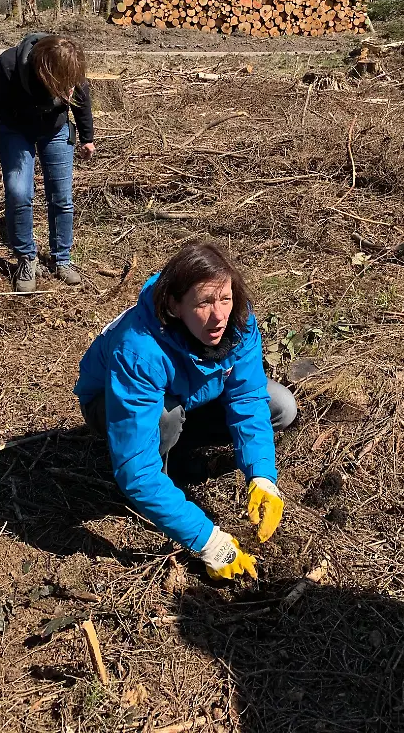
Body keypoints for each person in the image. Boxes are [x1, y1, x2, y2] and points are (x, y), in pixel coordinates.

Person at [74, 242, 298, 581]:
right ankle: (164, 485)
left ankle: (177, 454)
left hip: (190, 396)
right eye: (204, 302)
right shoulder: (138, 350)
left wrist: (262, 476)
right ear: (175, 306)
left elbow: (248, 398)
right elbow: (134, 471)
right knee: (165, 420)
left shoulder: (237, 322)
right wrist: (208, 541)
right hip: (110, 404)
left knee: (279, 405)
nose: (219, 315)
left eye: (225, 298)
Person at [0, 32, 95, 293]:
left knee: (61, 196)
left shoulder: (69, 63)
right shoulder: (7, 66)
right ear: (45, 71)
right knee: (19, 193)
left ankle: (62, 258)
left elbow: (82, 100)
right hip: (14, 130)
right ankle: (26, 258)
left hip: (55, 129)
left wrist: (87, 137)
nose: (68, 85)